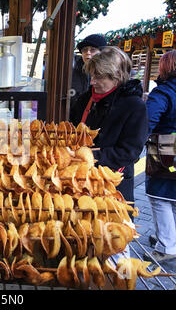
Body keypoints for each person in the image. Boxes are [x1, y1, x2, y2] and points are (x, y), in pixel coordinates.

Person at [70, 46, 148, 204]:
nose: (92, 82)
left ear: (117, 76)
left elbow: (129, 152)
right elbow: (71, 130)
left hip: (113, 186)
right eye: (92, 75)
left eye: (99, 77)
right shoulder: (85, 100)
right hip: (80, 182)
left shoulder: (134, 106)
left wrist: (90, 156)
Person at [143, 50, 176, 262]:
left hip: (167, 152)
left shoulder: (163, 93)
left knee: (159, 196)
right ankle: (170, 238)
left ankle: (166, 246)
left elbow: (147, 121)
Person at [71, 34, 107, 103]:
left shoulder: (109, 75)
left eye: (93, 50)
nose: (88, 52)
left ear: (103, 53)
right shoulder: (74, 72)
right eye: (84, 50)